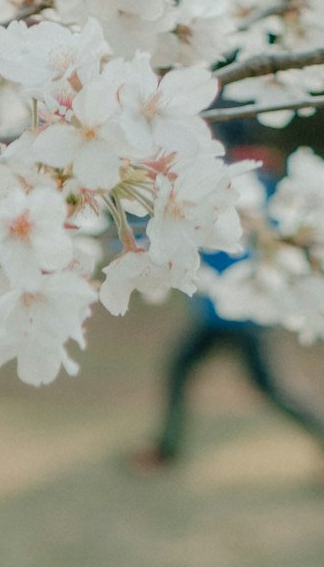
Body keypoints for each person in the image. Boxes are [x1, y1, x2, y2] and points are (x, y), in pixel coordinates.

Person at [136, 132, 324, 471]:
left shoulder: (263, 197)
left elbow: (277, 232)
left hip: (244, 319)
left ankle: (167, 449)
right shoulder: (222, 193)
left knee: (273, 391)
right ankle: (166, 449)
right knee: (180, 373)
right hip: (214, 315)